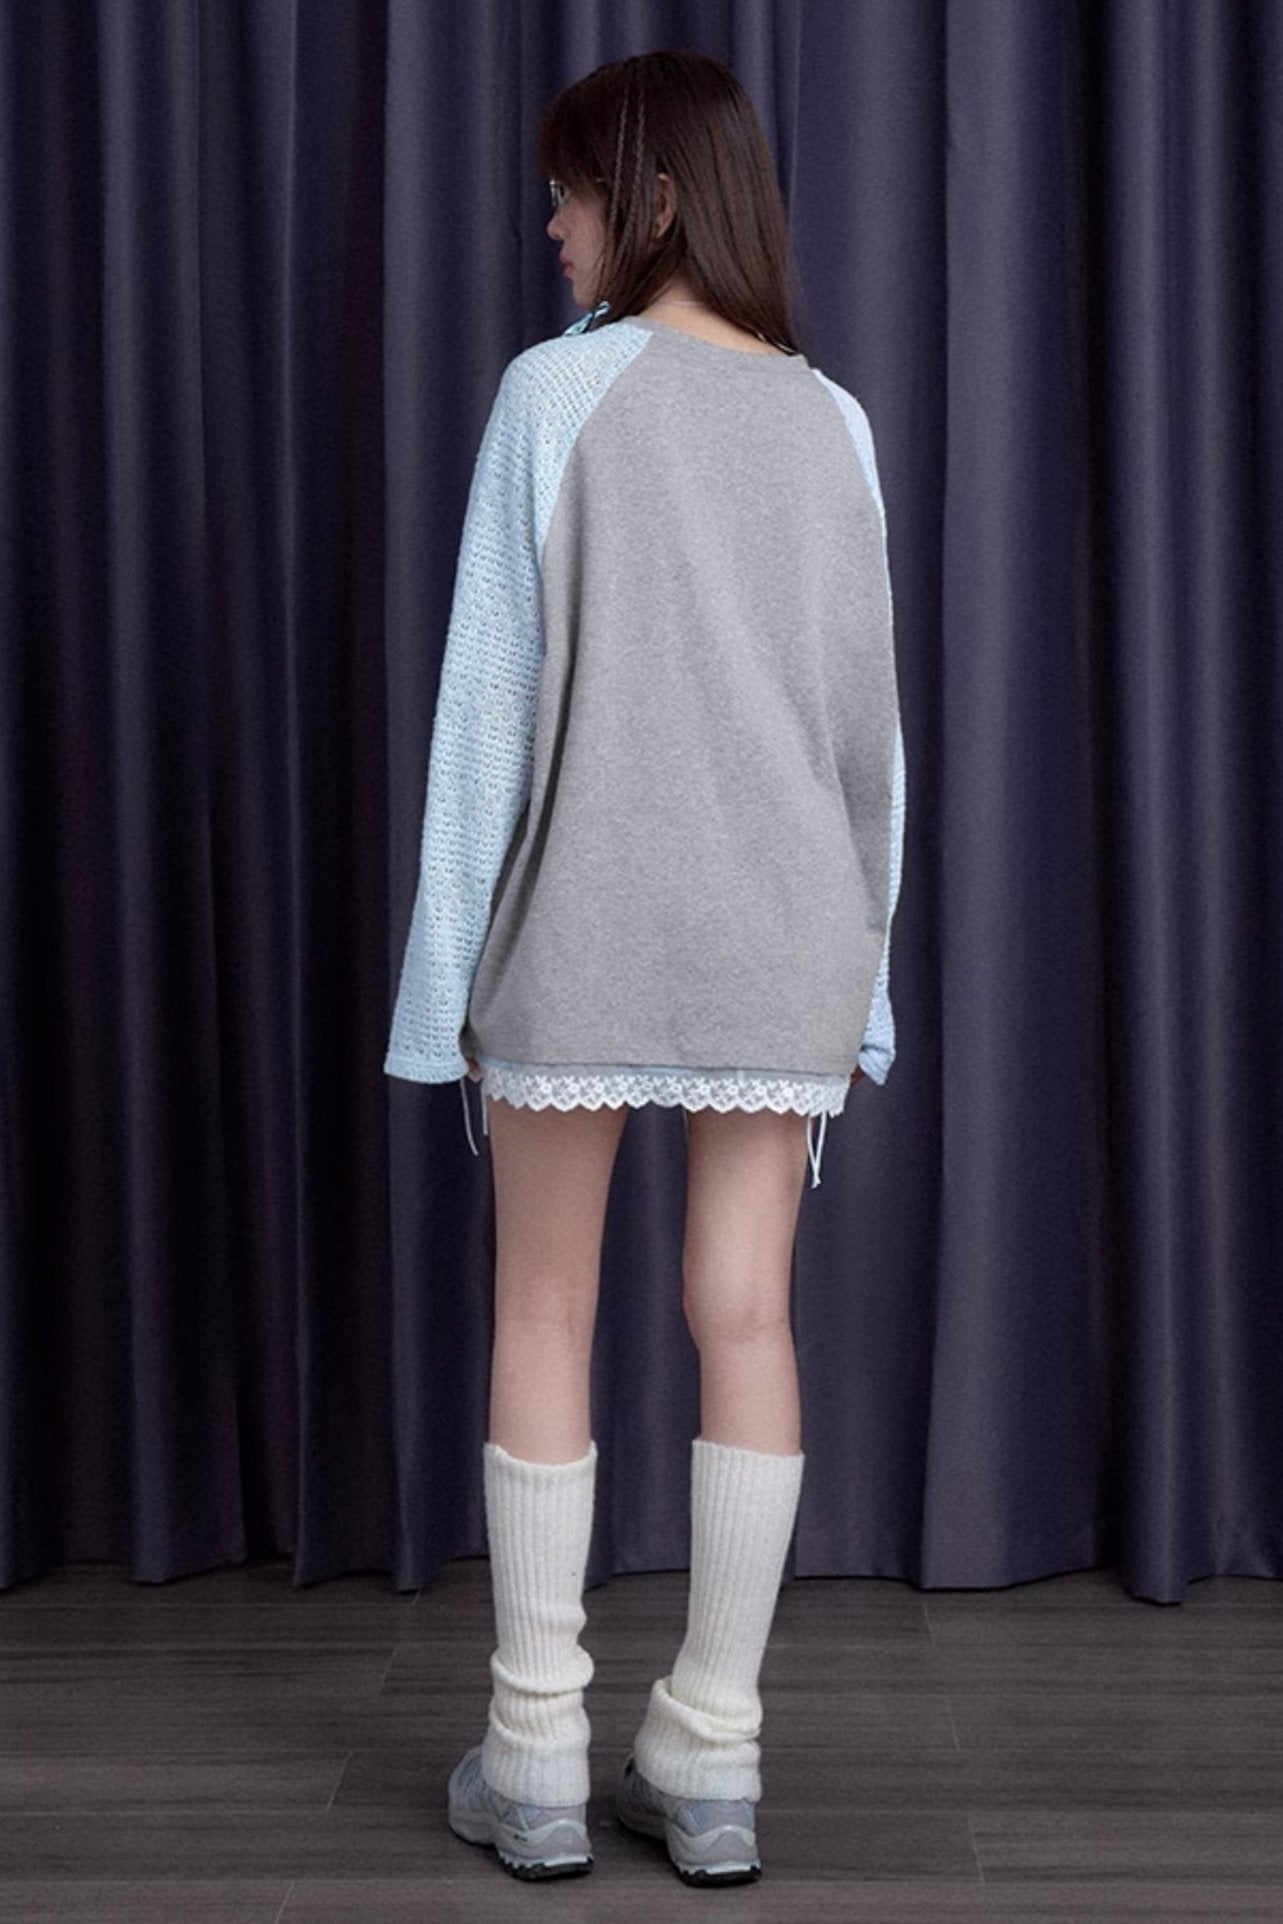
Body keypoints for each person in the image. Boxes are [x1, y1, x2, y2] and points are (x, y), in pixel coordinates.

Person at [383, 48, 906, 1886]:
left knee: (544, 1309)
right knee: (745, 1314)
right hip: (786, 936)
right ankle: (711, 1757)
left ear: (656, 202)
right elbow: (871, 747)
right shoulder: (835, 423)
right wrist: (864, 984)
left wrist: (439, 989)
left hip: (586, 928)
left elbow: (485, 719)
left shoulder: (556, 393)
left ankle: (536, 1753)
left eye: (573, 192)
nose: (551, 225)